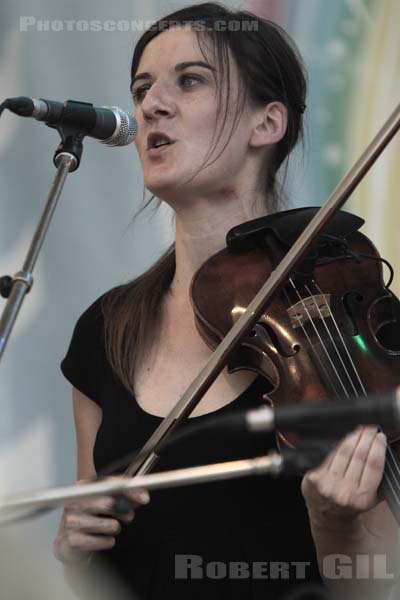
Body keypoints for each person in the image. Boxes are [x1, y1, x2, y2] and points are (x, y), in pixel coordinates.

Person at [53, 3, 398, 599]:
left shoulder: (346, 317)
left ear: (267, 124)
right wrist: (74, 553)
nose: (150, 106)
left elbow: (379, 586)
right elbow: (97, 540)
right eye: (142, 89)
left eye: (190, 80)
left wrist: (333, 521)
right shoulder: (105, 329)